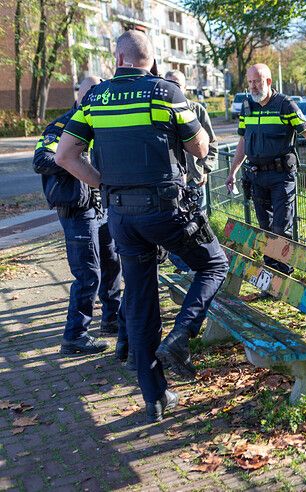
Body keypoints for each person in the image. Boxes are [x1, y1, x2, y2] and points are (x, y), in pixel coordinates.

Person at [55, 30, 228, 423]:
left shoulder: (95, 98)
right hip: (167, 211)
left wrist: (105, 185)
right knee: (214, 265)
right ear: (151, 60)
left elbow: (66, 155)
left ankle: (155, 397)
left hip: (121, 218)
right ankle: (182, 336)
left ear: (116, 58)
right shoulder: (165, 92)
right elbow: (200, 148)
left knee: (139, 296)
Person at [224, 63, 306, 274]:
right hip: (256, 176)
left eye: (258, 81)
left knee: (281, 228)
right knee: (265, 229)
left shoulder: (285, 104)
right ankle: (270, 277)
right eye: (250, 82)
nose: (253, 86)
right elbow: (243, 141)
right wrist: (233, 171)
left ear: (269, 81)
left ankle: (284, 275)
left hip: (281, 176)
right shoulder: (247, 106)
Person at [33, 76, 122, 356]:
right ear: (79, 94)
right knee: (88, 274)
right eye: (90, 93)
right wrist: (75, 158)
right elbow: (41, 160)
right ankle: (75, 336)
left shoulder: (101, 121)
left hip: (102, 207)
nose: (95, 98)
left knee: (112, 266)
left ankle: (111, 320)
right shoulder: (62, 125)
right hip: (76, 210)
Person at [163, 69, 217, 272]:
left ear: (185, 88)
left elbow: (211, 144)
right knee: (174, 225)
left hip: (194, 181)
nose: (173, 87)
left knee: (197, 224)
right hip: (171, 182)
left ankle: (200, 266)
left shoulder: (197, 110)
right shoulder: (159, 113)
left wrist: (204, 169)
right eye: (169, 83)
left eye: (177, 84)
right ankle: (181, 266)